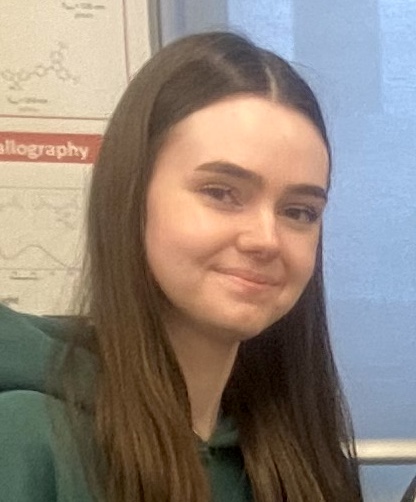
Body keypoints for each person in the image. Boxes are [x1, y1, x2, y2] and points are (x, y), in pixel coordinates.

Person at [0, 32, 363, 501]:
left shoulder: (305, 463)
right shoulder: (28, 441)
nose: (265, 239)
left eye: (299, 211)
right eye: (221, 192)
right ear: (131, 197)